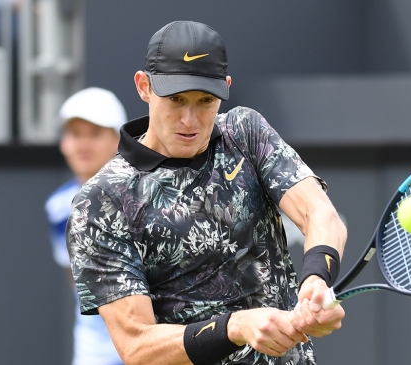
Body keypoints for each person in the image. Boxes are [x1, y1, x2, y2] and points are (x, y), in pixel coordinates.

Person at [66, 21, 347, 365]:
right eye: (176, 99)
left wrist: (317, 278)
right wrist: (236, 327)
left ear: (225, 89)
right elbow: (137, 345)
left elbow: (320, 213)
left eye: (205, 101)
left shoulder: (245, 132)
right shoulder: (100, 201)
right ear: (144, 86)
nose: (190, 119)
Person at [45, 87, 126, 365]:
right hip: (94, 347)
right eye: (75, 134)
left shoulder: (144, 195)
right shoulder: (58, 208)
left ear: (117, 140)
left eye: (94, 134)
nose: (83, 144)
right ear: (63, 143)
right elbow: (75, 278)